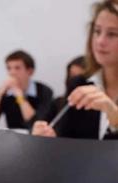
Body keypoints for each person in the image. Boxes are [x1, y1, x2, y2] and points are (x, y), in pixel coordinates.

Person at [33, 0, 118, 139]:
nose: (100, 41)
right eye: (97, 31)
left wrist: (115, 116)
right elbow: (66, 140)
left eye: (112, 34)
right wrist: (48, 140)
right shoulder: (79, 83)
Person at [0, 50, 53, 129]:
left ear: (30, 71)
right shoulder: (6, 92)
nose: (12, 72)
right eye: (9, 68)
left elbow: (35, 124)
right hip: (13, 138)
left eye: (17, 68)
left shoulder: (44, 91)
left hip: (36, 138)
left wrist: (18, 94)